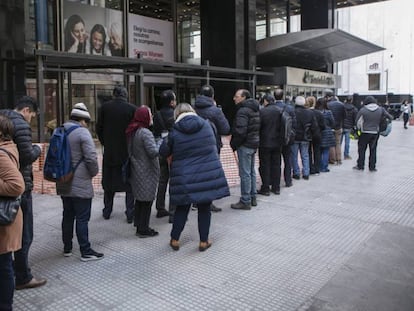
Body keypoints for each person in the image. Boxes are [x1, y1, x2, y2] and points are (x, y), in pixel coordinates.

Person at [159, 103, 229, 251]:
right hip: (206, 174)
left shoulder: (175, 131)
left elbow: (164, 151)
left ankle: (175, 239)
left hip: (184, 176)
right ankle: (204, 241)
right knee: (204, 208)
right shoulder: (207, 125)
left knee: (182, 208)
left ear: (176, 115)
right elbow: (215, 145)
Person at [0, 96, 46, 290]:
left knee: (5, 233)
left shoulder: (4, 117)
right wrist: (37, 148)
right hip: (20, 186)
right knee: (24, 233)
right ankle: (22, 276)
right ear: (27, 110)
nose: (32, 119)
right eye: (33, 115)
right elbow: (27, 156)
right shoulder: (21, 124)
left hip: (5, 184)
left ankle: (8, 270)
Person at [56, 103, 103, 261]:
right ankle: (85, 251)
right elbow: (91, 157)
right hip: (80, 182)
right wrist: (94, 172)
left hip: (63, 180)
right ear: (83, 120)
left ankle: (67, 248)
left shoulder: (60, 129)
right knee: (82, 218)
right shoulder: (82, 133)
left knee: (67, 215)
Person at [96, 86, 136, 222]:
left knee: (109, 183)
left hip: (110, 151)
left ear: (114, 94)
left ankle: (107, 210)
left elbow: (98, 128)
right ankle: (130, 213)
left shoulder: (104, 108)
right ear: (125, 95)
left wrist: (105, 142)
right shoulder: (132, 109)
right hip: (126, 151)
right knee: (129, 183)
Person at [0, 115, 25, 310]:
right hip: (8, 215)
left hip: (4, 217)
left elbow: (17, 185)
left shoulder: (1, 153)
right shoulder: (9, 146)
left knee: (4, 263)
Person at [193, 84, 230, 211]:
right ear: (212, 96)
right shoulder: (215, 111)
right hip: (212, 146)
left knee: (196, 172)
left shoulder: (193, 109)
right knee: (209, 174)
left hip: (194, 145)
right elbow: (225, 129)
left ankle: (195, 201)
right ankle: (207, 202)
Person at [125, 106, 160, 238]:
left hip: (137, 169)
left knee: (140, 199)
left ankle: (139, 224)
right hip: (147, 170)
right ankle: (143, 229)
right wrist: (161, 145)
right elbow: (152, 152)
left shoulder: (132, 130)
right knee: (147, 200)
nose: (151, 117)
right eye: (150, 114)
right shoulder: (145, 133)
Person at [230, 89, 260, 210]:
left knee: (245, 173)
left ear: (243, 97)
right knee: (251, 171)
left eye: (236, 96)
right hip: (253, 143)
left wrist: (234, 144)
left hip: (245, 144)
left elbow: (240, 131)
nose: (234, 98)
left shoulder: (242, 111)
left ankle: (245, 200)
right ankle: (252, 197)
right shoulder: (255, 109)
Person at [153, 90, 176, 220]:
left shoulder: (157, 114)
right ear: (171, 101)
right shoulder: (175, 114)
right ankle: (173, 212)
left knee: (162, 180)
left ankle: (160, 207)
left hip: (160, 148)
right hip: (173, 150)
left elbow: (155, 132)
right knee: (174, 180)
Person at [353, 96, 393, 172]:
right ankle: (372, 167)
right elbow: (390, 117)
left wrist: (358, 129)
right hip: (375, 132)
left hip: (364, 132)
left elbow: (357, 121)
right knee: (373, 150)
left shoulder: (363, 110)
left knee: (362, 150)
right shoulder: (381, 109)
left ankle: (360, 166)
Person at [257, 93, 283, 195]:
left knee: (264, 165)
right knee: (276, 165)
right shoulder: (280, 111)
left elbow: (258, 126)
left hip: (265, 142)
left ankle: (266, 187)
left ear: (265, 101)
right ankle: (276, 187)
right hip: (277, 142)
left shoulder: (262, 112)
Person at [291, 96, 319, 180]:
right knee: (305, 155)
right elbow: (314, 126)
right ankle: (306, 173)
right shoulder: (310, 113)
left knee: (294, 155)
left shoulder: (293, 112)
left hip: (295, 136)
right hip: (305, 136)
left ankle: (296, 173)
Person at [274, 88, 295, 187]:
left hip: (275, 138)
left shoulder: (271, 107)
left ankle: (275, 182)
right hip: (287, 138)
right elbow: (293, 123)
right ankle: (288, 180)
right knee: (287, 160)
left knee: (276, 162)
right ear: (282, 96)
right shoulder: (289, 108)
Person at [315, 97, 336, 173]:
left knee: (319, 151)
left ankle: (319, 166)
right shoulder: (328, 112)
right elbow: (333, 122)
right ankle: (324, 167)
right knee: (326, 151)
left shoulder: (316, 112)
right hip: (327, 132)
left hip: (318, 132)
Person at [325, 89, 345, 165]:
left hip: (330, 127)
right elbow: (344, 116)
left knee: (331, 144)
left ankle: (332, 159)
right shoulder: (341, 104)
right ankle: (339, 159)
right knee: (338, 143)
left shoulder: (327, 105)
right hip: (338, 127)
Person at [306, 96, 324, 175]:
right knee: (317, 151)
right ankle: (317, 168)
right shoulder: (319, 113)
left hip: (308, 135)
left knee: (308, 152)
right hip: (317, 134)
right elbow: (323, 125)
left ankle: (310, 168)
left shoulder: (306, 112)